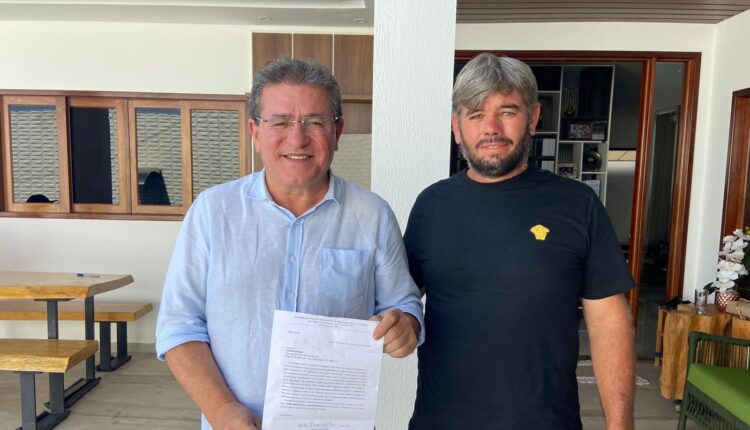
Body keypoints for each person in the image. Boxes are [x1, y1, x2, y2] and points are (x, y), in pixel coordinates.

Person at [156, 57, 424, 430]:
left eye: (315, 122)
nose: (297, 139)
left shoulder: (372, 215)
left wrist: (405, 325)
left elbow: (402, 304)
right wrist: (221, 410)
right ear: (255, 132)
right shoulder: (212, 212)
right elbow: (179, 326)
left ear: (337, 131)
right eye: (280, 122)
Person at [404, 53, 635, 430]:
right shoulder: (431, 206)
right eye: (476, 115)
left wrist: (620, 424)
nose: (491, 128)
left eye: (507, 111)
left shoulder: (578, 205)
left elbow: (609, 319)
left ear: (533, 117)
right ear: (456, 127)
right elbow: (402, 300)